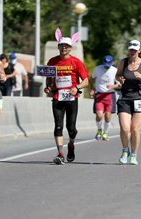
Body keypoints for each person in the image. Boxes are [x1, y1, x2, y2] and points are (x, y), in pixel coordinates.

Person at [44, 28, 89, 165]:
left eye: (66, 46)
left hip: (71, 98)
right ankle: (60, 153)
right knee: (58, 126)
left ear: (70, 48)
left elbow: (86, 81)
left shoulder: (76, 62)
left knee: (71, 128)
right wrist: (49, 87)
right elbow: (49, 78)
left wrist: (76, 88)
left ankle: (71, 144)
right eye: (61, 45)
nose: (64, 48)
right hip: (58, 97)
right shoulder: (52, 61)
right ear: (58, 47)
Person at [114, 39, 141, 165]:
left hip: (139, 98)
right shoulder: (123, 62)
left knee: (135, 129)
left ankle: (134, 155)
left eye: (135, 49)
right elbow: (117, 75)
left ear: (139, 50)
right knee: (125, 128)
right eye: (131, 49)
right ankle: (125, 151)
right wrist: (119, 79)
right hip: (124, 98)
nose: (132, 51)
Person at [89, 55, 118, 140]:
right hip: (99, 95)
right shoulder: (98, 69)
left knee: (108, 116)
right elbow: (91, 79)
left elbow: (119, 83)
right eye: (105, 64)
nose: (106, 66)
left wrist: (113, 86)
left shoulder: (115, 70)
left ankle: (105, 133)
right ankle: (99, 130)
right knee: (99, 114)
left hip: (110, 95)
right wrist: (92, 89)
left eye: (108, 65)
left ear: (112, 63)